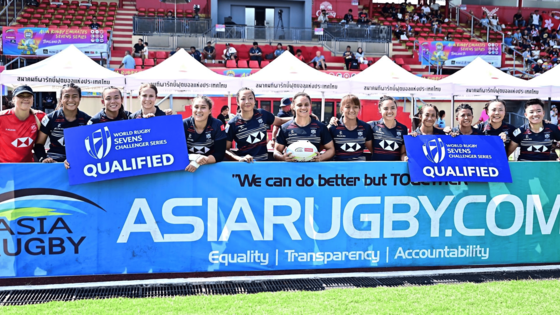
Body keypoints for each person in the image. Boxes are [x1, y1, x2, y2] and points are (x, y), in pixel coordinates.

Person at [226, 88, 292, 162]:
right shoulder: (232, 124)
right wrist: (239, 159)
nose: (247, 101)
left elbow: (280, 121)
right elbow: (225, 149)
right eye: (243, 99)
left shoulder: (262, 114)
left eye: (250, 98)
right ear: (238, 102)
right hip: (244, 167)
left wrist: (300, 117)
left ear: (254, 101)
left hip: (263, 166)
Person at [34, 83, 90, 163]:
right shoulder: (50, 118)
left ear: (80, 98)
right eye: (66, 96)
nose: (70, 100)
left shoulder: (87, 120)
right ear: (60, 99)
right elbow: (39, 144)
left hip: (78, 164)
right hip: (54, 164)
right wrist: (43, 159)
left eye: (74, 96)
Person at [274, 92, 335, 162]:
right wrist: (283, 158)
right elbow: (276, 151)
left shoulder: (321, 127)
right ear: (293, 106)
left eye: (306, 104)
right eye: (299, 105)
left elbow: (331, 149)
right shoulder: (284, 128)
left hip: (314, 171)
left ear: (310, 105)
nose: (303, 107)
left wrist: (321, 157)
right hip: (292, 171)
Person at [183, 96, 226, 172]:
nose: (199, 110)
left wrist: (203, 160)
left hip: (210, 167)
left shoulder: (217, 124)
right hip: (187, 167)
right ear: (192, 109)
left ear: (210, 110)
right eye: (196, 107)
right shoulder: (183, 124)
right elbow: (177, 151)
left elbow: (220, 153)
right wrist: (195, 159)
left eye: (203, 107)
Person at [0, 85, 41, 163]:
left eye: (29, 96)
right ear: (13, 99)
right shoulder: (2, 118)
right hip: (3, 167)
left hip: (26, 167)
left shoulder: (40, 116)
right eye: (21, 96)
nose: (25, 98)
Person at [327, 95, 373, 161]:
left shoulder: (366, 127)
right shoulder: (333, 128)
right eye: (348, 107)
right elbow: (326, 149)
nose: (351, 110)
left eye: (355, 107)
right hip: (339, 169)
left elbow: (373, 151)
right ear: (342, 109)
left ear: (359, 108)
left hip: (359, 168)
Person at [369, 96, 408, 161]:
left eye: (392, 108)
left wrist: (404, 158)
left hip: (395, 169)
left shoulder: (403, 129)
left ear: (396, 109)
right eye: (386, 108)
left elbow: (402, 153)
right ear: (379, 109)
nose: (389, 111)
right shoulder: (371, 126)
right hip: (376, 169)